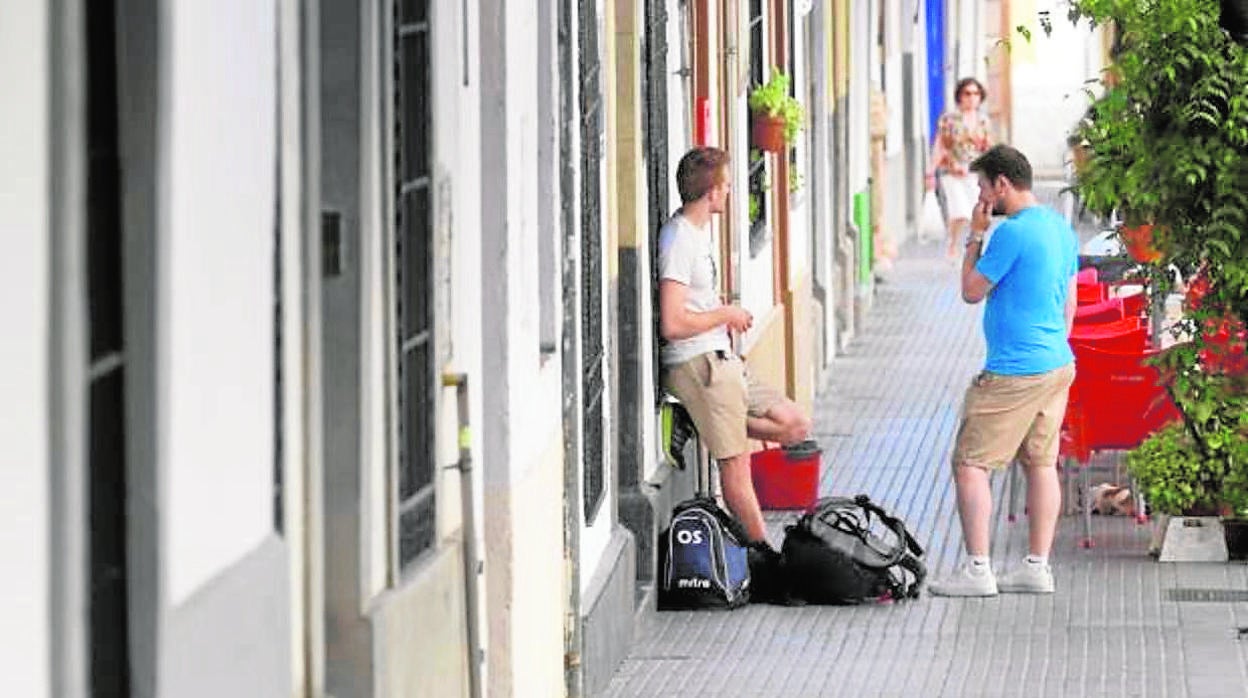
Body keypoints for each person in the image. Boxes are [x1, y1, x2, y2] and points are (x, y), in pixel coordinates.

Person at [928, 144, 1079, 597]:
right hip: (1056, 362)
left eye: (983, 187)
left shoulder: (1011, 232)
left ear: (1002, 185)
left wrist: (974, 235)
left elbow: (972, 291)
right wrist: (1052, 343)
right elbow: (1069, 302)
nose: (981, 197)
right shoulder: (1059, 227)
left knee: (971, 464)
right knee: (1041, 463)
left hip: (1013, 371)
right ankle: (1037, 566)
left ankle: (978, 570)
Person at [657, 146, 812, 548]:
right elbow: (672, 323)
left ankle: (701, 418)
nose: (729, 193)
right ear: (711, 192)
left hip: (722, 360)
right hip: (698, 363)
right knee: (736, 468)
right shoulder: (679, 242)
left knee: (794, 424)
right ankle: (766, 556)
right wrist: (725, 314)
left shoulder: (698, 233)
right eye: (725, 186)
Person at [926, 77, 994, 259]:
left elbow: (988, 147)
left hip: (974, 172)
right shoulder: (949, 119)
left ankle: (974, 246)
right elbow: (940, 145)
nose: (972, 97)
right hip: (952, 171)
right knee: (960, 211)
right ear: (960, 96)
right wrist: (931, 170)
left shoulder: (983, 121)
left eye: (976, 93)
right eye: (967, 93)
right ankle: (953, 242)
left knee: (976, 211)